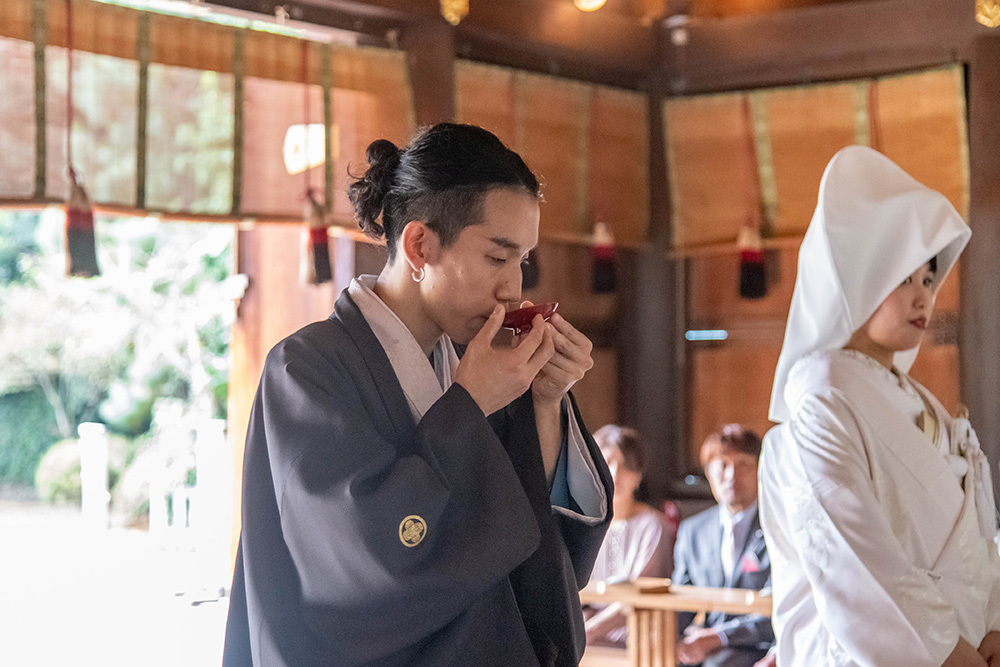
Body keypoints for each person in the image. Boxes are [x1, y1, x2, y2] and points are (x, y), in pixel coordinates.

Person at [222, 123, 614, 667]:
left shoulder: (481, 367)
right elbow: (359, 562)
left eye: (521, 262)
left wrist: (546, 402)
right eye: (496, 258)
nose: (513, 289)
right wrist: (469, 408)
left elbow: (537, 551)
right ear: (420, 243)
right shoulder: (307, 369)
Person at [758, 145, 1000, 666]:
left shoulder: (921, 400)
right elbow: (854, 558)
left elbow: (978, 534)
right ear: (859, 277)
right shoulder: (821, 395)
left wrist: (995, 621)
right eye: (904, 279)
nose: (923, 299)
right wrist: (947, 651)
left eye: (929, 280)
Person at [672, 425, 775, 667]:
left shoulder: (777, 528)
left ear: (761, 470)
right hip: (702, 646)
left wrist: (719, 637)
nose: (731, 475)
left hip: (759, 646)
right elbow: (681, 603)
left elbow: (782, 606)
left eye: (744, 464)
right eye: (722, 465)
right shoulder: (693, 531)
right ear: (708, 473)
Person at [585, 425, 675, 647]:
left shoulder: (653, 525)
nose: (615, 474)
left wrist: (589, 631)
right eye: (607, 463)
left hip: (637, 636)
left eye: (626, 466)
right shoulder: (584, 524)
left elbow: (642, 594)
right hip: (587, 632)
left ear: (639, 475)